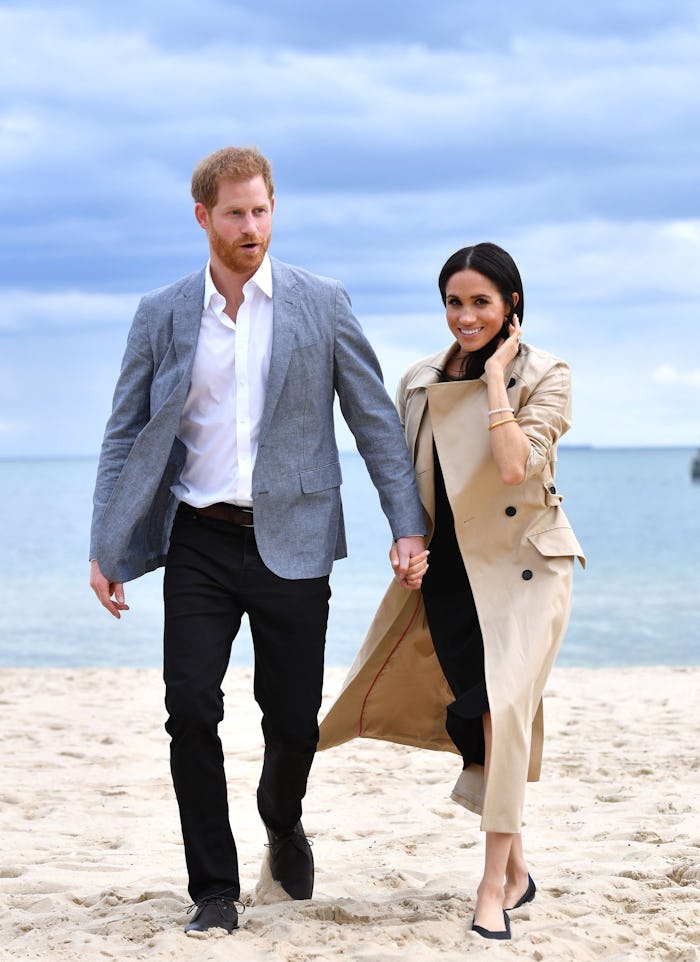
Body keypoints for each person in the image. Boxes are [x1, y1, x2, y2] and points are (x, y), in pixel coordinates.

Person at [89, 146, 427, 936]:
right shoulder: (162, 312)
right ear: (203, 217)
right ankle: (213, 888)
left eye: (262, 210)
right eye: (235, 213)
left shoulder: (322, 302)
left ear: (274, 208)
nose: (252, 226)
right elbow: (124, 433)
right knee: (189, 708)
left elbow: (374, 420)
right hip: (199, 537)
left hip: (296, 537)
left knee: (293, 718)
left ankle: (282, 816)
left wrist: (406, 523)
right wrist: (106, 543)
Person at [319, 242, 585, 941]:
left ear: (511, 305)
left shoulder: (547, 374)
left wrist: (496, 381)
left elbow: (515, 467)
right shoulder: (419, 380)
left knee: (504, 709)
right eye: (454, 302)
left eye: (481, 303)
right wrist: (405, 541)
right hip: (452, 574)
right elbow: (407, 478)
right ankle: (519, 870)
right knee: (479, 716)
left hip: (526, 570)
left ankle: (492, 887)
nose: (466, 316)